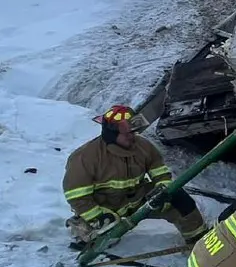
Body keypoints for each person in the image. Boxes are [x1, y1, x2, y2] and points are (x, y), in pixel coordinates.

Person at [62, 104, 206, 247]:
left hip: (138, 200)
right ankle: (81, 227)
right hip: (105, 209)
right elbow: (77, 196)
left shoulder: (144, 147)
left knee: (179, 199)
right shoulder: (85, 157)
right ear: (111, 135)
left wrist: (163, 190)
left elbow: (160, 173)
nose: (132, 136)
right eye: (127, 133)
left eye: (133, 131)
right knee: (98, 240)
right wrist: (98, 216)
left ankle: (198, 241)